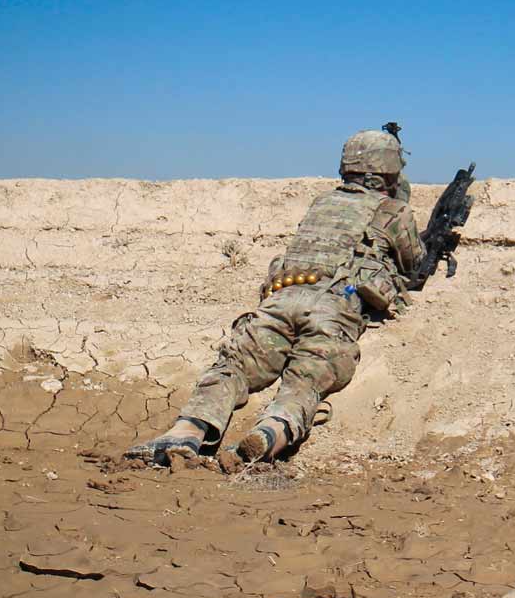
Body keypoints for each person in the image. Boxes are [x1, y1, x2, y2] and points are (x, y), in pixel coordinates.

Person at [125, 128, 426, 469]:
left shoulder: (323, 203)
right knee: (307, 378)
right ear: (390, 170)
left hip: (280, 299)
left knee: (233, 367)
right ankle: (270, 433)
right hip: (333, 308)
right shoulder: (392, 211)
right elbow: (413, 264)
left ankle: (185, 432)